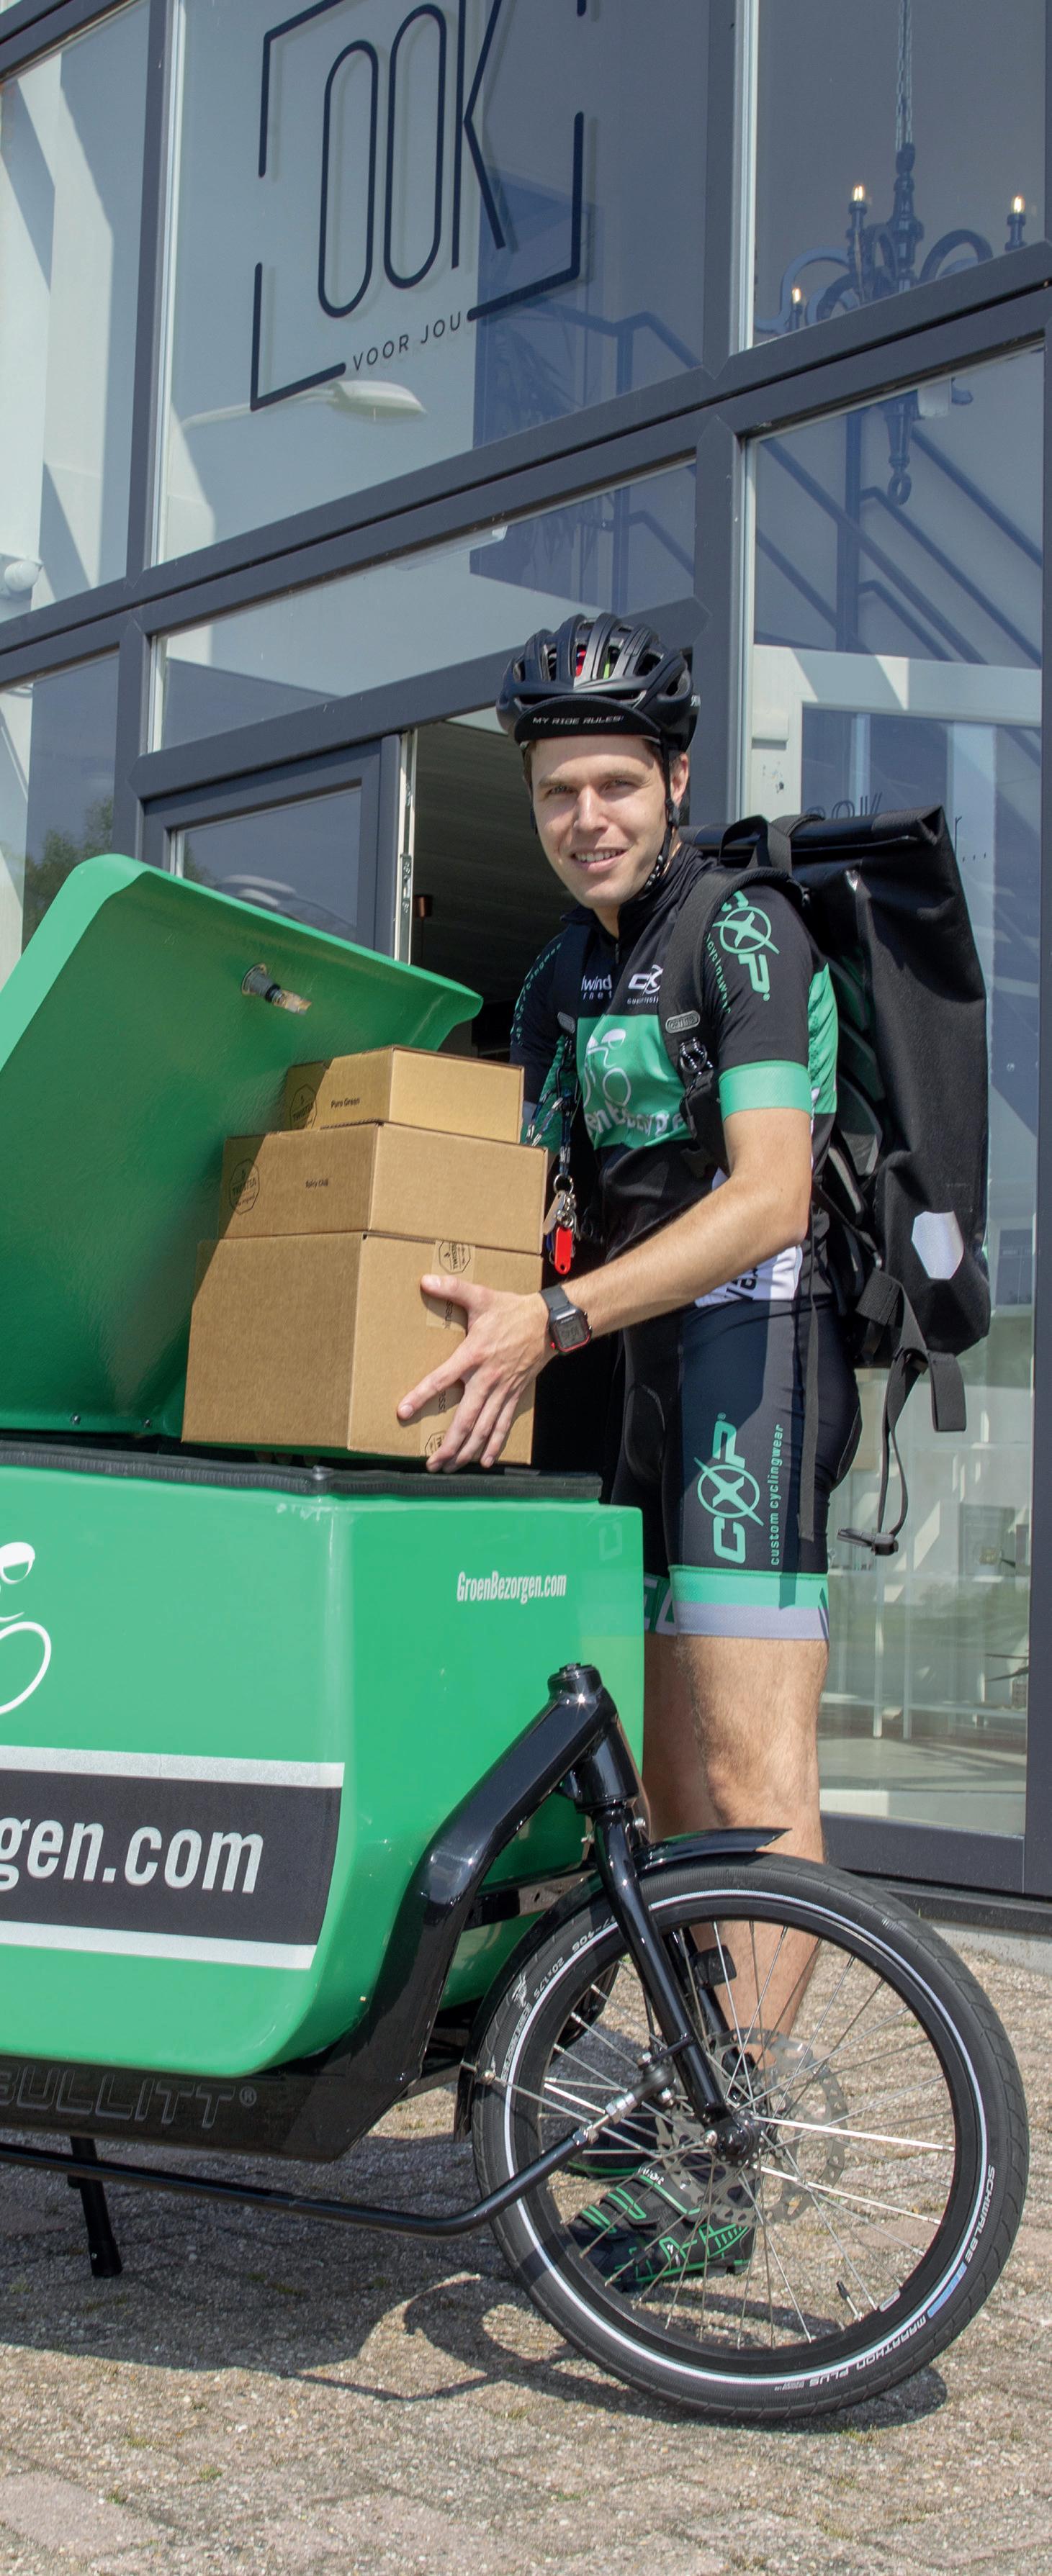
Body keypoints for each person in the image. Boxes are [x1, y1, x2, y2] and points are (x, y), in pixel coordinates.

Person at [398, 615, 860, 2012]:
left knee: (748, 1767)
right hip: (622, 1367)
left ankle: (746, 2113)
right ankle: (691, 2064)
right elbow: (516, 1183)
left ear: (674, 780)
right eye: (557, 791)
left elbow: (769, 1195)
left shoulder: (743, 930)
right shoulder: (557, 973)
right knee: (654, 1765)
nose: (585, 817)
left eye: (614, 783)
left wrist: (551, 1320)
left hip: (750, 1352)